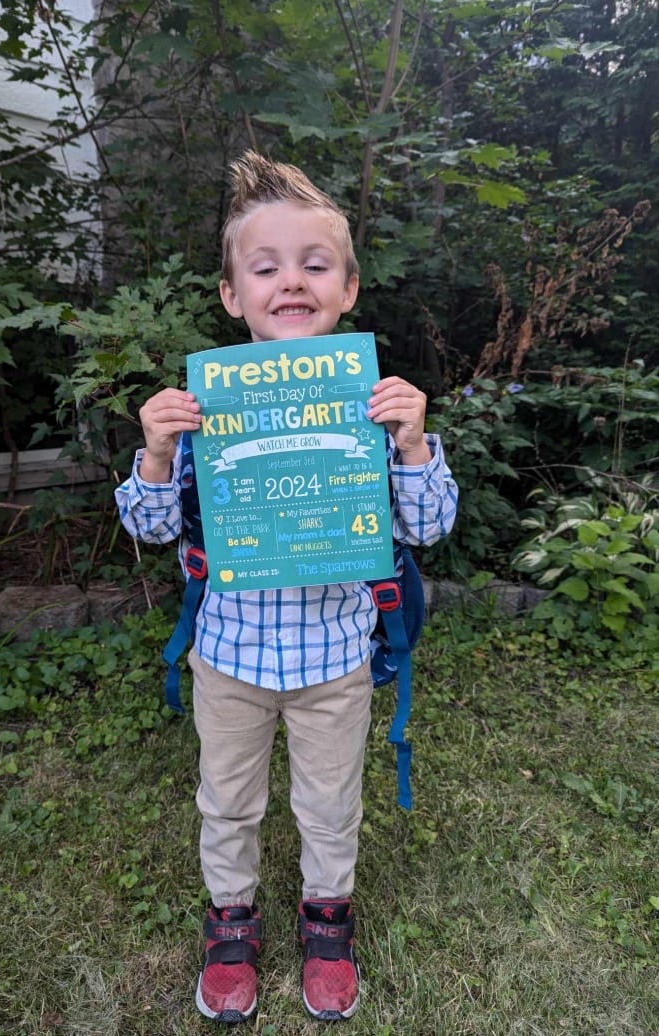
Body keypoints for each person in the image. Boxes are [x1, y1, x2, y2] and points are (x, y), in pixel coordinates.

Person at [115, 150, 458, 1024]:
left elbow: (427, 528)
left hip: (335, 655)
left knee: (329, 803)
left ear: (347, 287)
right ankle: (230, 922)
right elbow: (151, 529)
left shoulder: (377, 407)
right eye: (265, 267)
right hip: (227, 657)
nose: (290, 281)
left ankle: (326, 918)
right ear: (234, 295)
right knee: (227, 801)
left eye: (314, 265)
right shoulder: (204, 414)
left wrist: (416, 443)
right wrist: (155, 454)